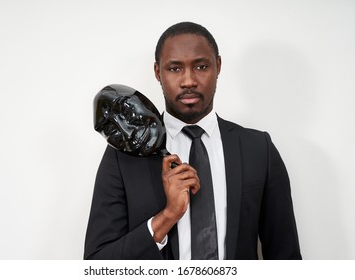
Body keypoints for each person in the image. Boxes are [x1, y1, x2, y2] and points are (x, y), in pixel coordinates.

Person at [84, 21, 302, 260]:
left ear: (218, 66)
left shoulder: (259, 150)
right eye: (175, 69)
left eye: (200, 66)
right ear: (158, 72)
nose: (188, 81)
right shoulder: (122, 156)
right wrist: (166, 217)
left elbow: (286, 259)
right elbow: (97, 263)